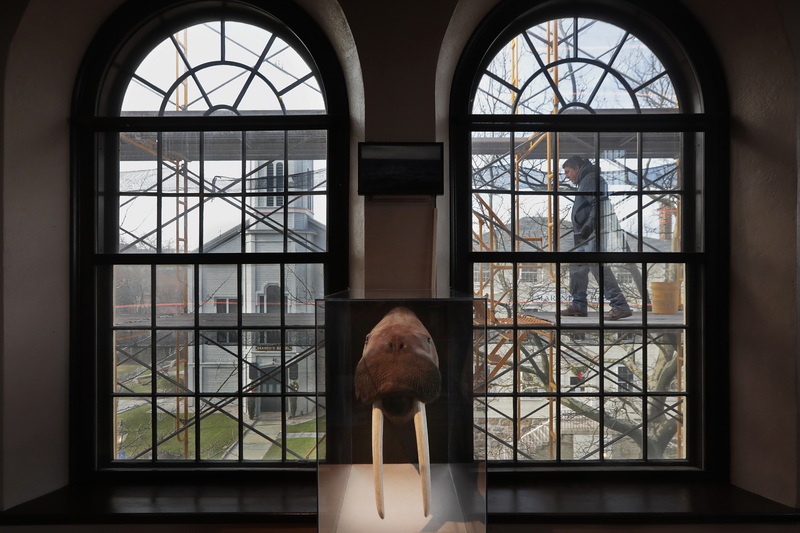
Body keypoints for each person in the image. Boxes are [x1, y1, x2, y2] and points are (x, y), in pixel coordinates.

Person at [561, 155, 633, 320]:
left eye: (568, 172)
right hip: (585, 235)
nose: (567, 176)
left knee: (597, 268)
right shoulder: (586, 181)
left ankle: (620, 305)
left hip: (591, 233)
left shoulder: (590, 180)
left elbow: (598, 204)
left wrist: (588, 226)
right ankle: (578, 305)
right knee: (578, 268)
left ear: (577, 168)